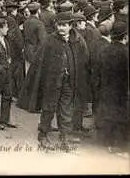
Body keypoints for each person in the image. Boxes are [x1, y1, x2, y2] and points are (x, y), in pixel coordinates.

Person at [28, 12, 88, 151]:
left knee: (66, 109)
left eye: (64, 25)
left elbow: (83, 60)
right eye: (59, 25)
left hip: (69, 82)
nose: (61, 28)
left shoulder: (78, 41)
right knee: (48, 108)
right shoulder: (50, 40)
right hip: (52, 82)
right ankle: (43, 135)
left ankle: (65, 136)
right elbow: (40, 62)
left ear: (71, 25)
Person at [96, 21, 129, 156]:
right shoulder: (126, 53)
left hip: (106, 88)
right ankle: (120, 145)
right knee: (122, 117)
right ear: (125, 36)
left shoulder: (104, 50)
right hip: (122, 91)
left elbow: (97, 71)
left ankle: (107, 141)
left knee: (108, 114)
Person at [23, 2, 47, 75]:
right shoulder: (39, 23)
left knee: (28, 74)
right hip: (36, 51)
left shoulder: (26, 22)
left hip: (27, 51)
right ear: (38, 10)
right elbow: (43, 40)